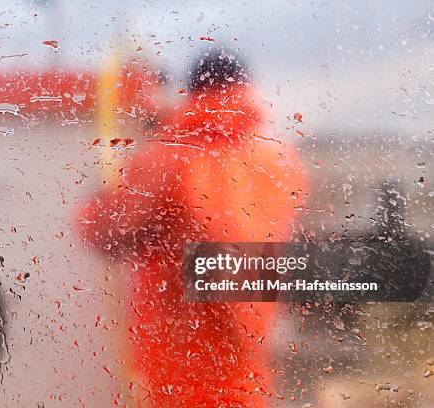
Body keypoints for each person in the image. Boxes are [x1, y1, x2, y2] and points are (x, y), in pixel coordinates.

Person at [75, 47, 307, 407]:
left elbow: (104, 230)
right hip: (248, 348)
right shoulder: (279, 161)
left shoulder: (167, 155)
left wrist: (101, 192)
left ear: (192, 91)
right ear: (246, 90)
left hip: (179, 352)